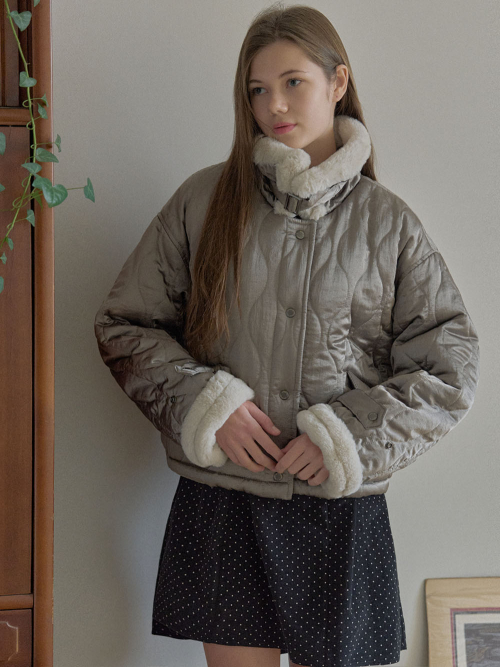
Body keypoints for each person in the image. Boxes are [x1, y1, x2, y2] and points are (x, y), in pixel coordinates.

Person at [94, 4, 480, 667]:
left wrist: (348, 435)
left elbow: (450, 370)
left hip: (337, 507)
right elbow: (124, 325)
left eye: (292, 82)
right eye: (257, 89)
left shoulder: (388, 224)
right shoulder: (204, 202)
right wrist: (205, 404)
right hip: (225, 501)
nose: (272, 104)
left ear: (338, 82)